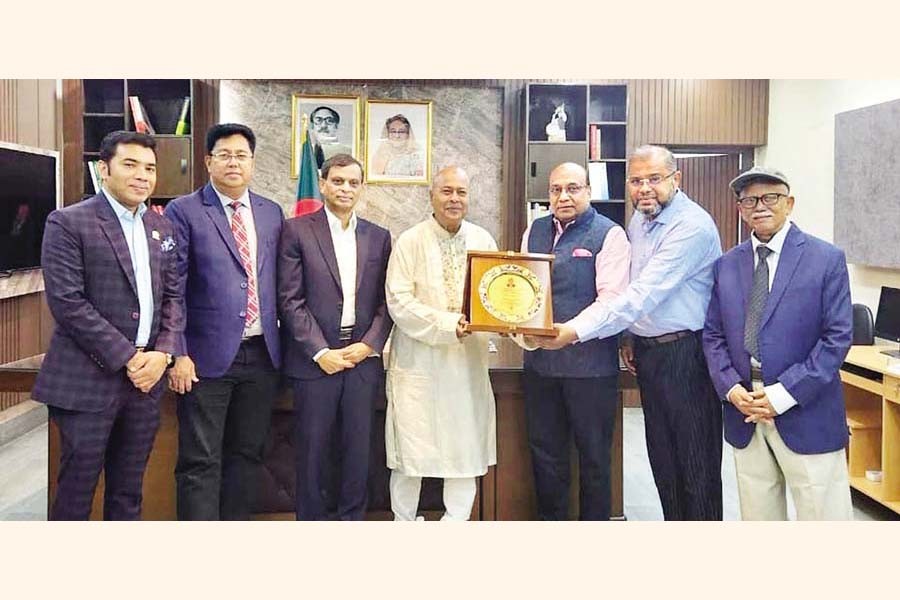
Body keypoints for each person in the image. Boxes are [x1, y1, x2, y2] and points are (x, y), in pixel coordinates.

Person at [536, 145, 724, 520]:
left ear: (676, 179)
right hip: (650, 354)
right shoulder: (640, 219)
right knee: (665, 463)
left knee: (696, 468)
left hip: (687, 355)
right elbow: (632, 282)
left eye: (654, 179)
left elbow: (640, 295)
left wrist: (574, 331)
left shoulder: (692, 227)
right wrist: (629, 337)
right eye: (636, 181)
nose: (644, 189)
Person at [33, 131, 183, 520]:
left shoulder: (161, 227)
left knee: (129, 492)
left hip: (146, 384)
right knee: (76, 493)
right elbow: (68, 302)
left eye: (149, 168)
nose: (142, 176)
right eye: (130, 165)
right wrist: (130, 358)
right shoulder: (69, 222)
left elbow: (173, 297)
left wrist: (163, 354)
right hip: (88, 381)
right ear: (104, 169)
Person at [703, 166, 853, 520]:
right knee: (759, 518)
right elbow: (713, 334)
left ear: (790, 203)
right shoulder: (726, 265)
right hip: (745, 409)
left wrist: (783, 394)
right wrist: (731, 388)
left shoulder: (825, 259)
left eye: (770, 197)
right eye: (749, 200)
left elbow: (836, 338)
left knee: (823, 517)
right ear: (740, 209)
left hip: (805, 407)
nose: (760, 206)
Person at [165, 123, 284, 520]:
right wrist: (178, 353)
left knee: (248, 455)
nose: (234, 162)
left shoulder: (271, 212)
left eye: (242, 156)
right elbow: (173, 286)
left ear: (252, 162)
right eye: (225, 155)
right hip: (204, 359)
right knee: (200, 460)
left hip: (262, 355)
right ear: (208, 161)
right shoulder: (184, 210)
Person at [278, 154, 393, 520]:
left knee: (358, 453)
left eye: (353, 183)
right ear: (324, 184)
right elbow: (290, 300)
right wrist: (320, 351)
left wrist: (369, 344)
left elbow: (387, 301)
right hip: (314, 363)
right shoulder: (296, 230)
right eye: (338, 181)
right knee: (313, 454)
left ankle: (351, 523)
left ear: (362, 188)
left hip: (361, 362)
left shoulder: (378, 236)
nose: (346, 189)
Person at [518, 162, 630, 520]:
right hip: (541, 367)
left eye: (573, 188)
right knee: (546, 456)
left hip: (591, 370)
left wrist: (571, 332)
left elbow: (612, 301)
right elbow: (524, 289)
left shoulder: (609, 234)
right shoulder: (535, 229)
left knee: (594, 460)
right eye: (555, 190)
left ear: (588, 191)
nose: (563, 196)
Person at [385, 165, 497, 521]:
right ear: (431, 195)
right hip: (419, 363)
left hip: (467, 366)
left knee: (465, 451)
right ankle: (403, 523)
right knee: (410, 454)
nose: (454, 199)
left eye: (461, 192)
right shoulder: (410, 241)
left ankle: (455, 525)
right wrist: (449, 325)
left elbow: (495, 294)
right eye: (446, 191)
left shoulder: (483, 240)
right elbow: (398, 301)